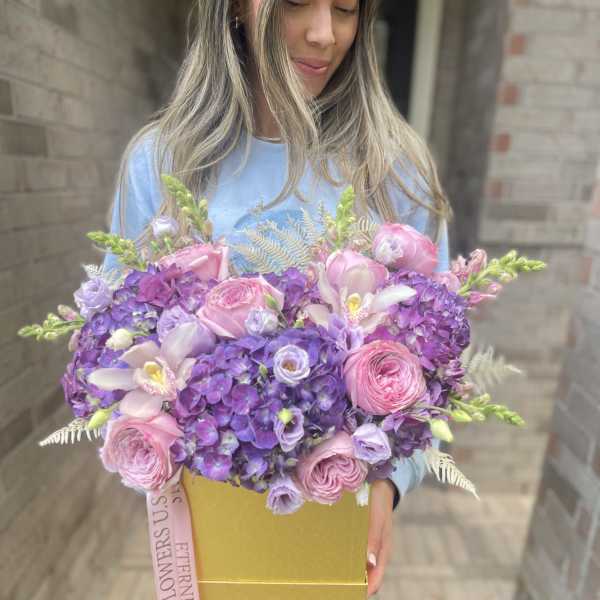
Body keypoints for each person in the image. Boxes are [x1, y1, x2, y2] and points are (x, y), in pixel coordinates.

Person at [103, 1, 453, 596]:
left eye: (346, 9)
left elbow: (434, 356)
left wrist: (391, 482)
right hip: (212, 513)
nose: (324, 34)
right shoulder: (164, 161)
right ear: (236, 9)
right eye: (295, 2)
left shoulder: (394, 167)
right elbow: (118, 340)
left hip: (337, 511)